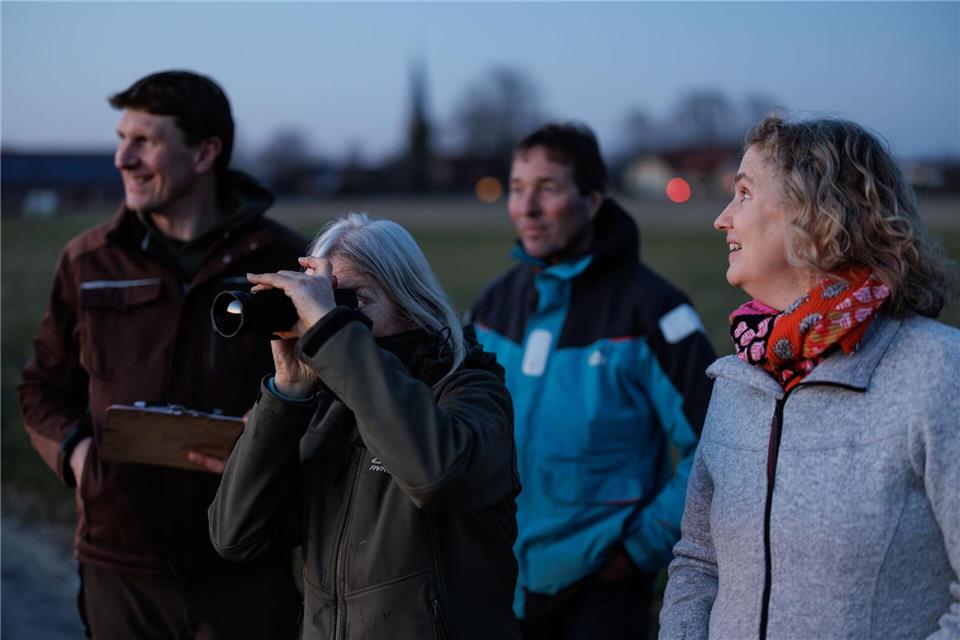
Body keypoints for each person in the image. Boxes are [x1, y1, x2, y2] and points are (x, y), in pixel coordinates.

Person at [17, 70, 305, 638]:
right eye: (122, 138)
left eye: (144, 140)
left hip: (246, 570)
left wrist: (274, 444)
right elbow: (39, 390)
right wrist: (77, 458)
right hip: (118, 568)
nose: (122, 158)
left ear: (205, 153)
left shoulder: (288, 264)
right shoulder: (88, 261)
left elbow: (333, 402)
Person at [659, 116, 960, 639]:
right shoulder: (736, 378)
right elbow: (698, 563)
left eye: (745, 193)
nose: (722, 219)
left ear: (817, 211)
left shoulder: (936, 370)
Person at [208, 213, 523, 640]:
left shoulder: (469, 390)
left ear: (412, 305)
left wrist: (334, 338)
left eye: (349, 301)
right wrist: (287, 394)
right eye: (321, 302)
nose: (327, 319)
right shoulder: (323, 405)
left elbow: (436, 474)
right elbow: (236, 535)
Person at [468, 122, 717, 638]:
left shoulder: (655, 312)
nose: (527, 208)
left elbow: (715, 449)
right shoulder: (493, 304)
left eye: (548, 188)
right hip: (498, 583)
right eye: (517, 189)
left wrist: (635, 552)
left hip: (602, 594)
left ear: (594, 199)